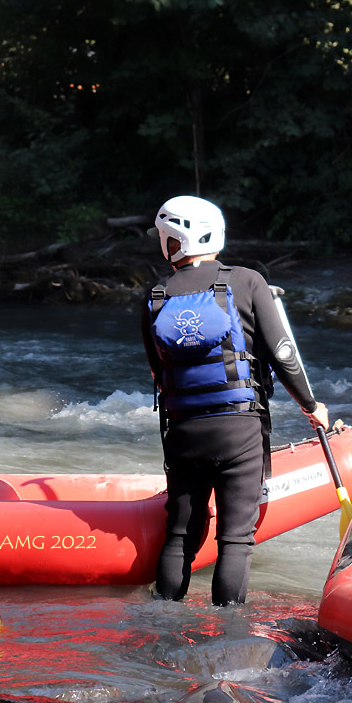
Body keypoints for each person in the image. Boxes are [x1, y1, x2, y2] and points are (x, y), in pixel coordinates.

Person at [140, 195, 329, 606]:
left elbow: (158, 371)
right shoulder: (246, 281)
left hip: (184, 432)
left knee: (180, 535)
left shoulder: (156, 295)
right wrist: (310, 405)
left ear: (173, 241)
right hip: (240, 429)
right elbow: (281, 353)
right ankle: (229, 637)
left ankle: (163, 620)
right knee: (235, 538)